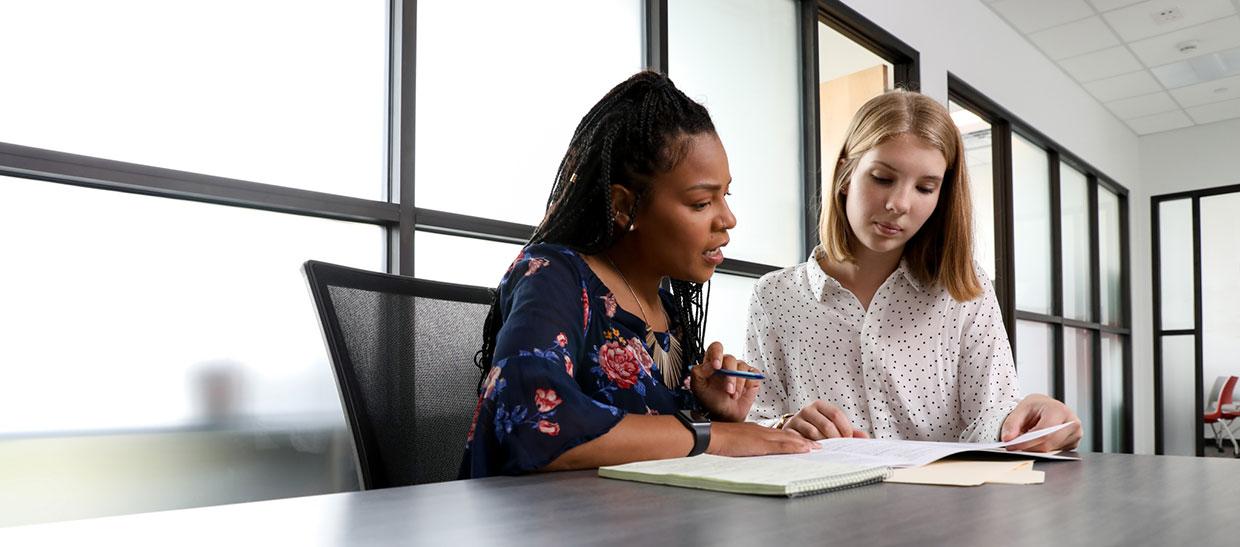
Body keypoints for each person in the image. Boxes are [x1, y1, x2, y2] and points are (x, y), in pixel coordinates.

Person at [464, 71, 815, 478]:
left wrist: (715, 413)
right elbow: (532, 424)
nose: (729, 219)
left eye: (726, 195)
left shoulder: (666, 308)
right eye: (702, 202)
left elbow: (659, 445)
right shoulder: (552, 276)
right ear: (624, 205)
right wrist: (712, 435)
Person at [746, 90, 1081, 452]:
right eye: (882, 178)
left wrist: (1030, 419)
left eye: (925, 187)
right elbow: (757, 420)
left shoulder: (964, 291)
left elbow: (991, 418)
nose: (899, 204)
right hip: (821, 503)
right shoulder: (774, 297)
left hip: (945, 505)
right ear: (845, 171)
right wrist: (784, 425)